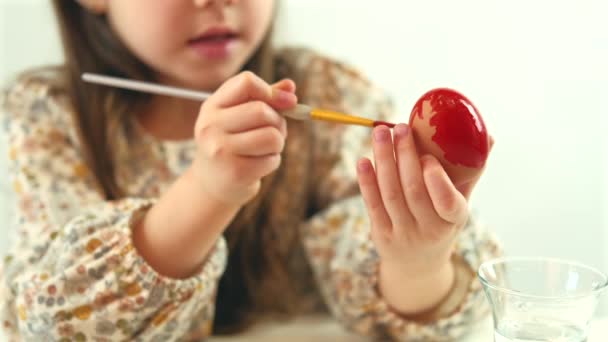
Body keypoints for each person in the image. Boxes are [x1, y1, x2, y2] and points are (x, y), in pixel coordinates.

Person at [0, 0, 501, 340]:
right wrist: (208, 190)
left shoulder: (327, 92)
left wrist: (417, 260)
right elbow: (56, 320)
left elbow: (378, 282)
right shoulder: (50, 116)